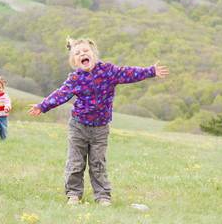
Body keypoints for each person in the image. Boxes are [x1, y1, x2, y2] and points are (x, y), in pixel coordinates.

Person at [27, 37, 169, 206]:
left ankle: (103, 196)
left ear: (94, 54)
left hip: (101, 128)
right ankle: (73, 194)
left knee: (98, 163)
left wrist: (151, 71)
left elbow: (128, 73)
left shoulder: (108, 71)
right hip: (78, 126)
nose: (82, 54)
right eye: (77, 53)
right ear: (74, 61)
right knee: (76, 162)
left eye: (86, 51)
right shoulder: (75, 79)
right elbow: (60, 95)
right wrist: (42, 106)